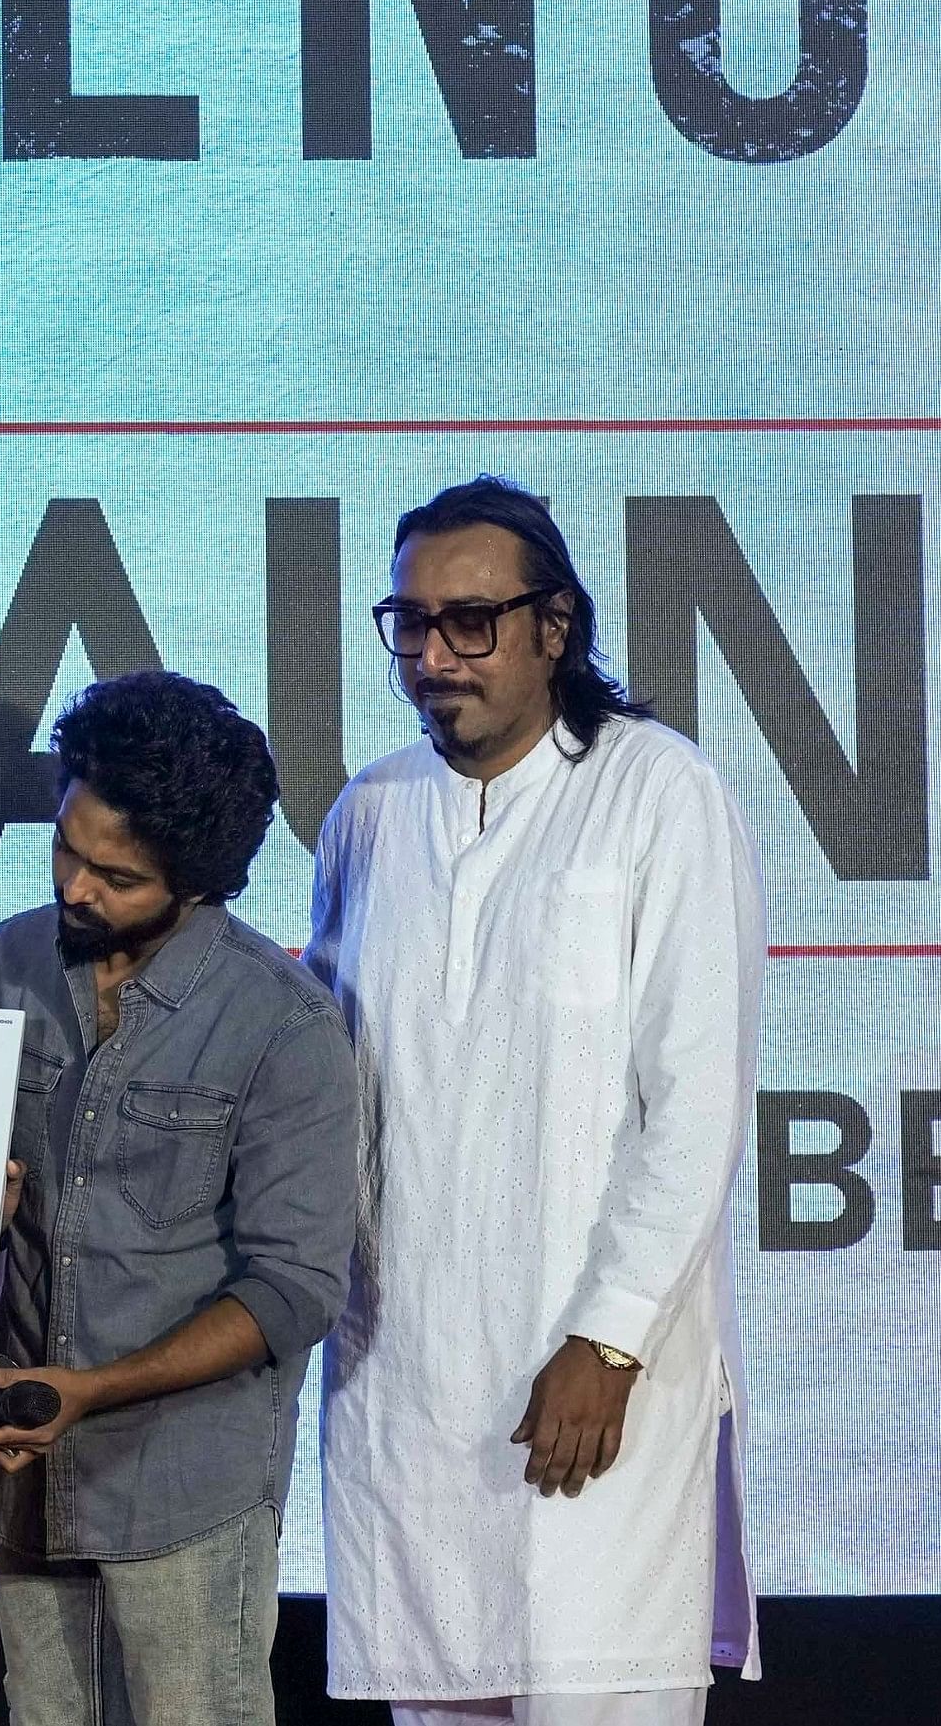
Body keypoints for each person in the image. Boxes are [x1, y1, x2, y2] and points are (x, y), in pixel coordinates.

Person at [308, 477, 764, 1726]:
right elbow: (326, 1091)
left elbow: (695, 1103)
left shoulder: (658, 792)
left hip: (593, 1391)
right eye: (408, 624)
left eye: (471, 622)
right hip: (407, 1391)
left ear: (554, 625)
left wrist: (609, 1337)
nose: (433, 656)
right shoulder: (371, 811)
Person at [0, 669, 362, 1726]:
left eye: (116, 875)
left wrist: (94, 1391)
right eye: (65, 848)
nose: (75, 889)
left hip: (186, 1494)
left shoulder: (284, 1026)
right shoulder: (8, 959)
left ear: (196, 883)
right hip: (23, 1490)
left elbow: (294, 1291)